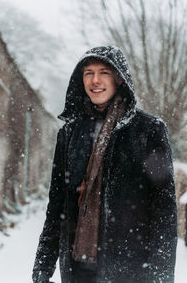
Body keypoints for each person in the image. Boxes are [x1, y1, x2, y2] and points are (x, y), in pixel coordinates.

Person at [32, 46, 177, 283]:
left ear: (119, 78)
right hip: (77, 269)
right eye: (88, 73)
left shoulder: (148, 130)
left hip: (130, 269)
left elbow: (163, 212)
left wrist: (161, 277)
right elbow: (58, 205)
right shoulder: (69, 133)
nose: (95, 80)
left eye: (104, 72)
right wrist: (42, 266)